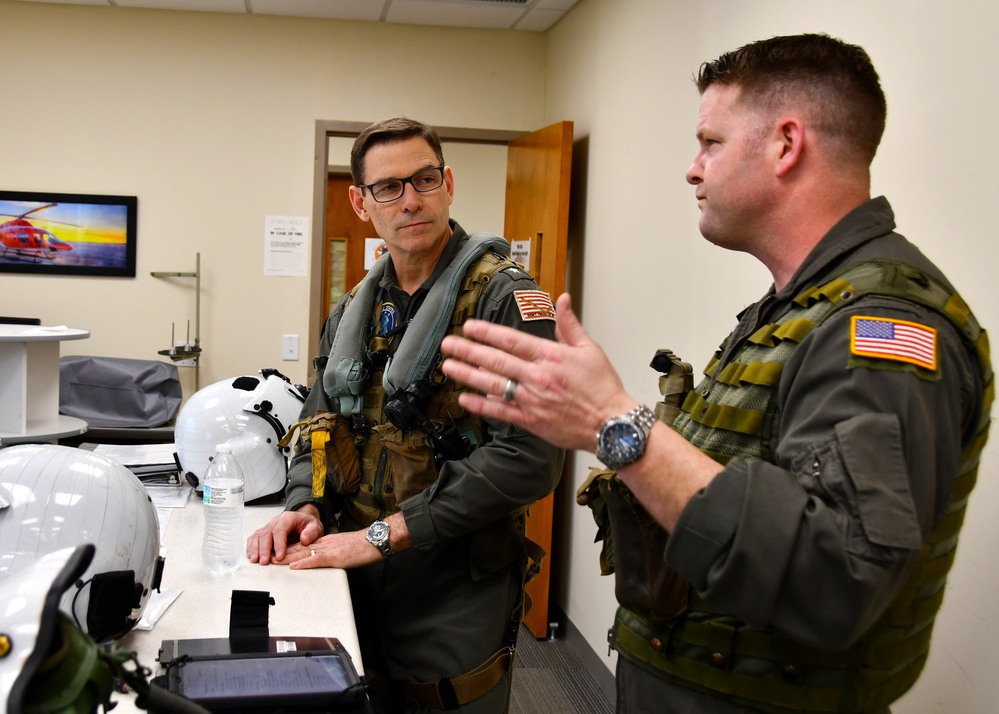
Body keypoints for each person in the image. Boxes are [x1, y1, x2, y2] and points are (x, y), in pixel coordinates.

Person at [440, 34, 992, 714]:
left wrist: (615, 422)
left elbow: (835, 581)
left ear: (785, 145)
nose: (691, 170)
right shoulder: (796, 308)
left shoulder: (879, 332)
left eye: (710, 142)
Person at [246, 117, 564, 713]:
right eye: (389, 187)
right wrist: (305, 506)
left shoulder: (505, 302)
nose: (410, 200)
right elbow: (317, 426)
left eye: (424, 180)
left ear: (447, 183)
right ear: (360, 203)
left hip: (450, 587)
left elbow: (532, 459)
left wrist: (382, 535)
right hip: (352, 572)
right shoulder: (350, 314)